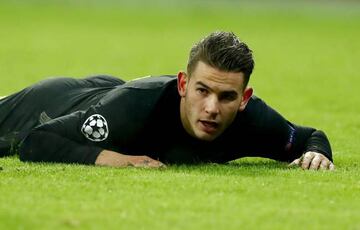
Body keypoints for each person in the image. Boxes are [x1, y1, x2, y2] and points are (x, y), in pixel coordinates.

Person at [0, 31, 334, 170]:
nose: (212, 108)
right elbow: (37, 142)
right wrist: (121, 160)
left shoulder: (255, 121)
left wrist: (317, 154)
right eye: (202, 91)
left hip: (106, 92)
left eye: (227, 96)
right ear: (183, 84)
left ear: (244, 98)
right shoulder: (135, 109)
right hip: (51, 105)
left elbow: (307, 137)